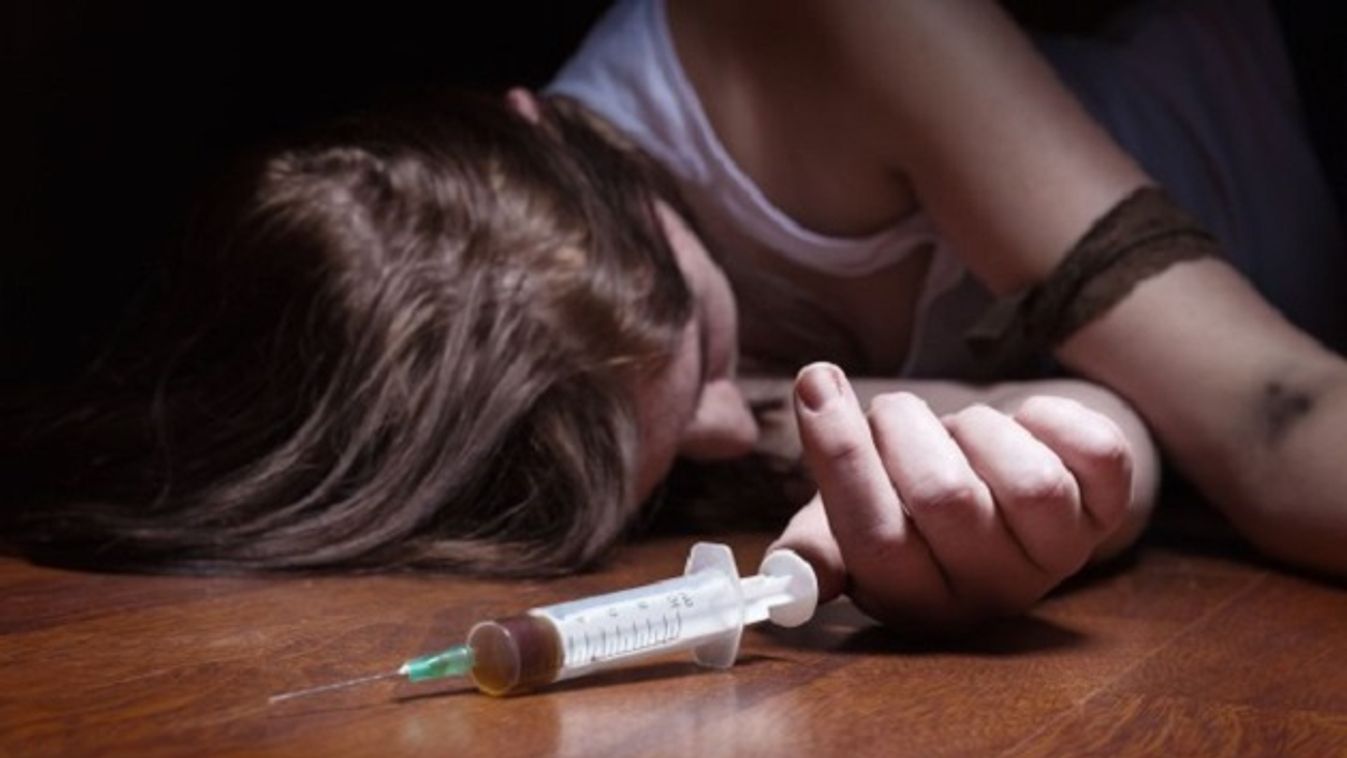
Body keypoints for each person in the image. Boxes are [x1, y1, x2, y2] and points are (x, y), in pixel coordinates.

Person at [3, 0, 1343, 632]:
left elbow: (1268, 417)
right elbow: (1123, 426)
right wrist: (1074, 489)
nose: (726, 427)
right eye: (652, 485)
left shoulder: (816, 32)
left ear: (536, 126)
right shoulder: (614, 401)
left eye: (705, 349)